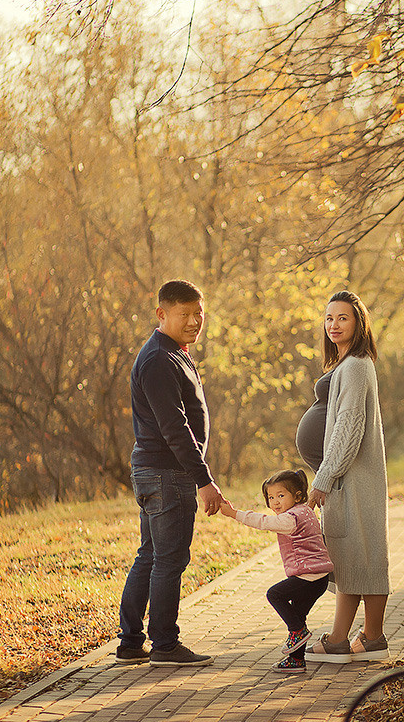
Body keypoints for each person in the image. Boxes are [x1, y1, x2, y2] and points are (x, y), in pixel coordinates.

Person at [116, 280, 225, 668]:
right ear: (162, 314)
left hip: (157, 471)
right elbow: (174, 428)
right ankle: (164, 645)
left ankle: (131, 643)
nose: (194, 321)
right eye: (184, 314)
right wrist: (204, 480)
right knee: (168, 560)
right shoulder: (160, 359)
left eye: (199, 313)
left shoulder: (172, 353)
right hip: (166, 474)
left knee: (150, 556)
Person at [296, 290, 391, 664]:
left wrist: (324, 478)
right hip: (344, 478)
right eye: (329, 318)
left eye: (343, 318)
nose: (333, 325)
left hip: (349, 477)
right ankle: (365, 638)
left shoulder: (355, 365)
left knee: (361, 555)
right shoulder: (350, 362)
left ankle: (351, 639)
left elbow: (349, 427)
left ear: (359, 322)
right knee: (353, 556)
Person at [219, 469, 334, 673]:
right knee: (298, 615)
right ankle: (296, 660)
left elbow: (263, 522)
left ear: (297, 496)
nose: (275, 502)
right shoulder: (305, 511)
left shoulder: (290, 519)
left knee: (275, 594)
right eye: (271, 497)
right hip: (319, 578)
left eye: (281, 495)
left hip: (307, 577)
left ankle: (298, 632)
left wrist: (234, 513)